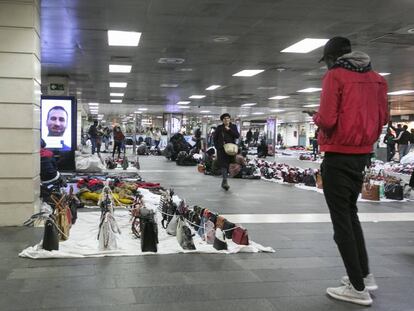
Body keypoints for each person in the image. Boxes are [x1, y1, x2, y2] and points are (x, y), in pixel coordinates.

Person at [305, 36, 388, 306]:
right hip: (362, 156)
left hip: (339, 156)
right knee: (351, 216)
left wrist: (315, 117)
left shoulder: (335, 76)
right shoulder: (377, 78)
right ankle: (364, 275)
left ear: (332, 58)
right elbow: (384, 118)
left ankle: (357, 288)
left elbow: (328, 119)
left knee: (341, 222)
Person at [213, 113, 240, 191]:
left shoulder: (233, 127)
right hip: (221, 149)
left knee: (228, 165)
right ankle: (225, 181)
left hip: (231, 149)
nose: (226, 120)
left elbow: (237, 136)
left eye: (228, 118)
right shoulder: (219, 128)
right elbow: (215, 138)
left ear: (230, 119)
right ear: (222, 120)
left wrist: (229, 130)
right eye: (224, 118)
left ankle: (224, 181)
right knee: (223, 165)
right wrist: (217, 147)